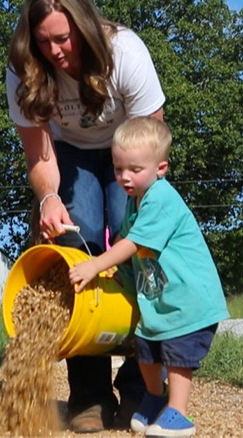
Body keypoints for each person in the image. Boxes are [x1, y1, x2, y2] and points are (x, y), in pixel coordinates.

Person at [5, 0, 166, 433]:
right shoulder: (23, 69)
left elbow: (150, 137)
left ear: (85, 27)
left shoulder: (126, 54)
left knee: (137, 249)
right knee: (81, 244)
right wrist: (50, 198)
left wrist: (139, 195)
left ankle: (140, 385)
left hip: (129, 150)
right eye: (43, 42)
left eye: (63, 38)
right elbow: (38, 153)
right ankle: (90, 394)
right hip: (68, 154)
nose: (54, 51)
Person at [69, 116, 230, 437]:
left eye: (135, 169)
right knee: (145, 350)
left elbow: (133, 243)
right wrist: (118, 270)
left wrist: (97, 264)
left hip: (188, 301)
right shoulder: (134, 202)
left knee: (178, 356)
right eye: (118, 169)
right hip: (161, 301)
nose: (124, 177)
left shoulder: (161, 199)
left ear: (161, 168)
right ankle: (155, 398)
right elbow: (123, 243)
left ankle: (179, 412)